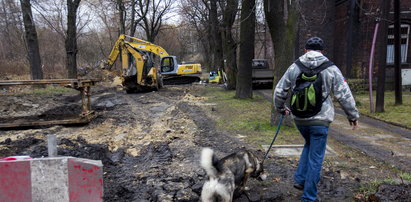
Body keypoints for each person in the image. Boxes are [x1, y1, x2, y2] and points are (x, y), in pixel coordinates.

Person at [273, 37, 359, 202]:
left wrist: (280, 108)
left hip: (300, 119)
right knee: (316, 158)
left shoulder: (295, 66)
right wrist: (352, 115)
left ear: (306, 50)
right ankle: (309, 197)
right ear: (322, 51)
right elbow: (344, 94)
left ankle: (300, 180)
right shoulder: (331, 68)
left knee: (309, 144)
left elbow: (279, 90)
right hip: (320, 121)